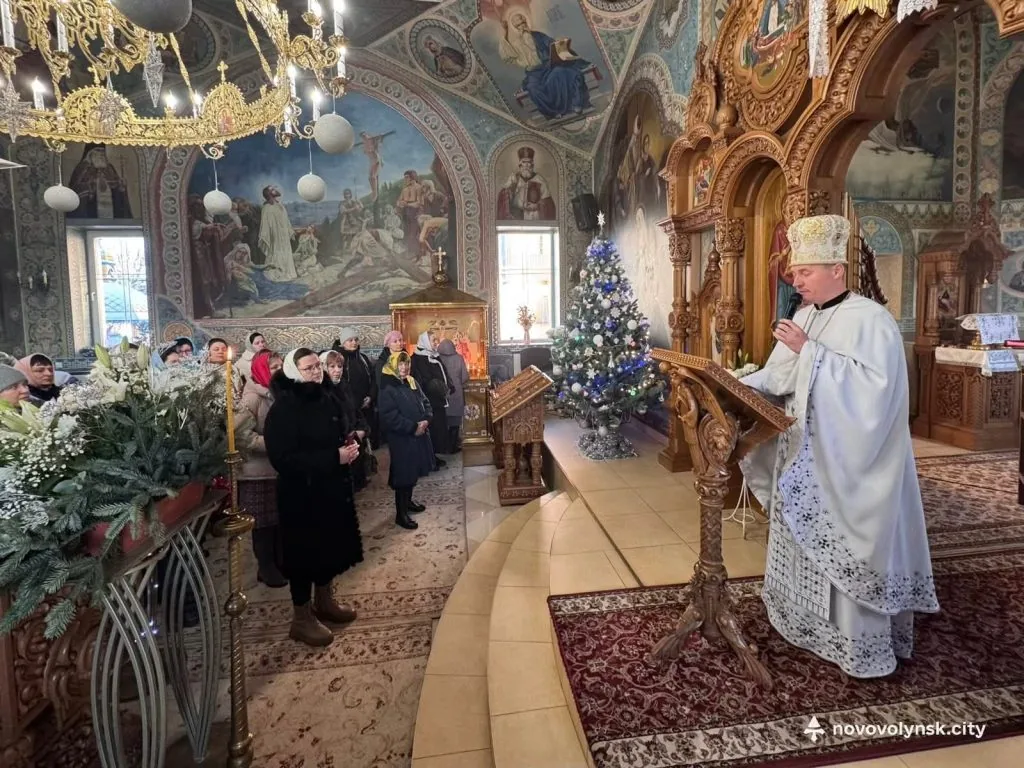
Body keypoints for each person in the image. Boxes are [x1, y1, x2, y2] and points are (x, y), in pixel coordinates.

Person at [738, 214, 939, 679]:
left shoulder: (872, 320)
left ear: (837, 271)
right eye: (795, 272)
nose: (796, 279)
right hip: (802, 455)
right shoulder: (804, 316)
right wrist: (739, 382)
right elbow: (783, 375)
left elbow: (875, 394)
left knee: (847, 548)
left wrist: (810, 350)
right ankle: (803, 623)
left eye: (805, 272)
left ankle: (856, 643)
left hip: (847, 463)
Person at [264, 348, 364, 647]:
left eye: (318, 365)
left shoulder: (327, 396)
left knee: (328, 548)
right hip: (301, 495)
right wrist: (334, 457)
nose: (317, 371)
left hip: (330, 488)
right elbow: (283, 459)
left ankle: (325, 600)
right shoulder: (284, 408)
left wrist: (348, 447)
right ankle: (301, 618)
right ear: (295, 372)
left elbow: (334, 432)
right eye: (308, 368)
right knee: (304, 555)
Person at [240, 350, 287, 589]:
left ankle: (280, 562)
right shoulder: (253, 398)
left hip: (280, 468)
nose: (279, 371)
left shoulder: (280, 394)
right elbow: (241, 435)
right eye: (274, 367)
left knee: (279, 519)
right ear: (261, 370)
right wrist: (274, 445)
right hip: (258, 472)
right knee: (263, 524)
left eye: (281, 366)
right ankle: (265, 567)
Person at [378, 351, 433, 530]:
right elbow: (390, 416)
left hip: (418, 435)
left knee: (412, 471)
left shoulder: (411, 381)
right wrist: (412, 427)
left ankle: (408, 502)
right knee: (403, 475)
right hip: (401, 438)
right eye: (401, 364)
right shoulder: (387, 388)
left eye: (407, 364)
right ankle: (401, 514)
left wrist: (426, 420)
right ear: (393, 366)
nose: (404, 367)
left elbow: (425, 402)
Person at [320, 349, 371, 491]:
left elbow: (355, 410)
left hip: (354, 440)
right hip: (337, 446)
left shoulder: (344, 386)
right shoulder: (322, 391)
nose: (337, 370)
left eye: (340, 366)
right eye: (332, 366)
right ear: (323, 367)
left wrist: (362, 429)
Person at [333, 328, 378, 451]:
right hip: (350, 406)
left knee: (366, 442)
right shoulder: (338, 360)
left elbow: (373, 378)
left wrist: (370, 397)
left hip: (366, 404)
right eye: (350, 340)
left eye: (355, 339)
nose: (354, 342)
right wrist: (353, 402)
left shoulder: (363, 358)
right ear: (343, 343)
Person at [411, 330, 450, 464]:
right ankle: (429, 458)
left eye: (436, 340)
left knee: (439, 429)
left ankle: (433, 456)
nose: (436, 343)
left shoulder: (434, 355)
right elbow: (424, 381)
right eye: (433, 340)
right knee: (432, 430)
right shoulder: (417, 358)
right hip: (429, 402)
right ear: (425, 341)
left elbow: (443, 373)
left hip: (438, 401)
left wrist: (448, 387)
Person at [437, 339, 468, 452]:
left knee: (443, 422)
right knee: (455, 422)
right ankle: (453, 446)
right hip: (456, 392)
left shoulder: (437, 359)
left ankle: (444, 446)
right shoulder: (459, 358)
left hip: (442, 392)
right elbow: (465, 377)